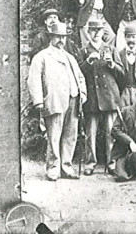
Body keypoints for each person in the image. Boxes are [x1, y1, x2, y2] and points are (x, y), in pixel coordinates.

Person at [28, 22, 88, 181]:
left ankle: (66, 167)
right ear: (51, 37)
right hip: (54, 100)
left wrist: (82, 93)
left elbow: (80, 77)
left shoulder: (70, 57)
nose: (61, 40)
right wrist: (39, 102)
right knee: (54, 136)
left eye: (63, 37)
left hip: (73, 100)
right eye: (58, 36)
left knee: (71, 136)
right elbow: (33, 80)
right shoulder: (42, 57)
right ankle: (53, 169)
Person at [78, 20, 124, 175]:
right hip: (92, 98)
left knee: (111, 132)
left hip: (109, 97)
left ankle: (112, 162)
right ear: (89, 32)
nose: (96, 33)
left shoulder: (111, 49)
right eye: (93, 30)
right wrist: (88, 62)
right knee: (90, 133)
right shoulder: (84, 50)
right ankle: (90, 163)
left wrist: (112, 64)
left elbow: (123, 74)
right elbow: (78, 73)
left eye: (99, 30)